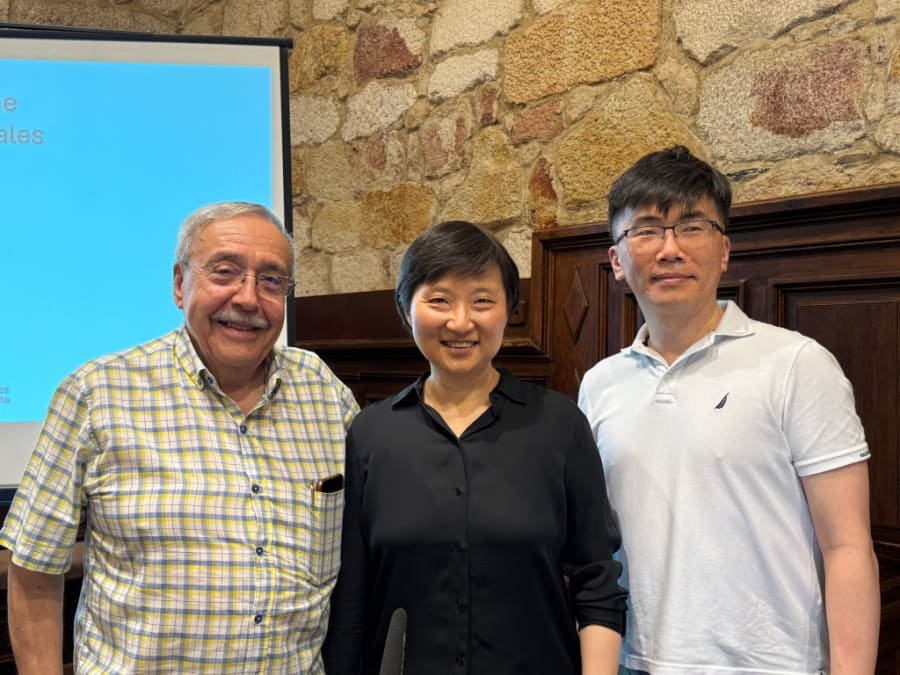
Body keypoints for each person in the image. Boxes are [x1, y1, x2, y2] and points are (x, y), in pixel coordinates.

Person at [0, 202, 359, 674]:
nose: (248, 298)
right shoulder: (97, 393)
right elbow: (34, 570)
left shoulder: (324, 392)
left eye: (271, 280)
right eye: (225, 272)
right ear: (178, 284)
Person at [577, 146, 881, 675]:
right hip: (633, 660)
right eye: (646, 231)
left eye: (692, 226)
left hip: (772, 663)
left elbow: (847, 546)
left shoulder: (796, 364)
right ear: (617, 262)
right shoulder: (599, 385)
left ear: (723, 251)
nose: (670, 249)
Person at [323, 220, 627, 675]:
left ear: (509, 310)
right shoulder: (370, 434)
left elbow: (596, 579)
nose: (461, 321)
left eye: (482, 301)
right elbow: (352, 597)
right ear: (407, 309)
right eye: (439, 299)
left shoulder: (560, 426)